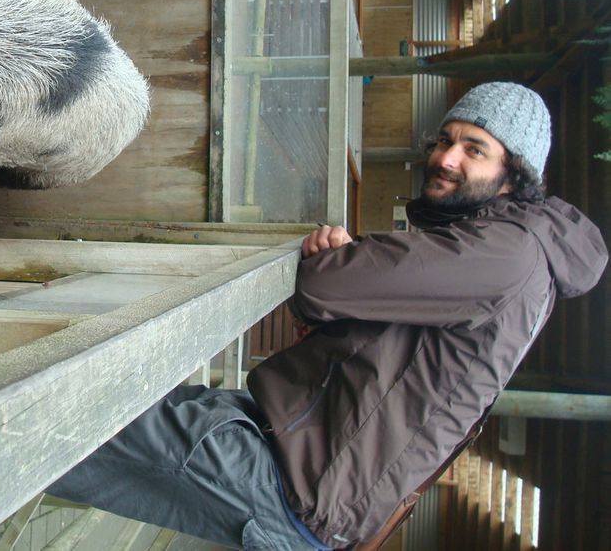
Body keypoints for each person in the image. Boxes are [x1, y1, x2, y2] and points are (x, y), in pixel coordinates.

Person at [48, 81, 608, 550]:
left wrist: (340, 263)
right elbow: (370, 332)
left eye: (474, 148)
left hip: (289, 482)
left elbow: (324, 283)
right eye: (445, 140)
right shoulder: (507, 251)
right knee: (61, 452)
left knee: (55, 416)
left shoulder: (505, 254)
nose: (445, 158)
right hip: (291, 457)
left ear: (515, 173)